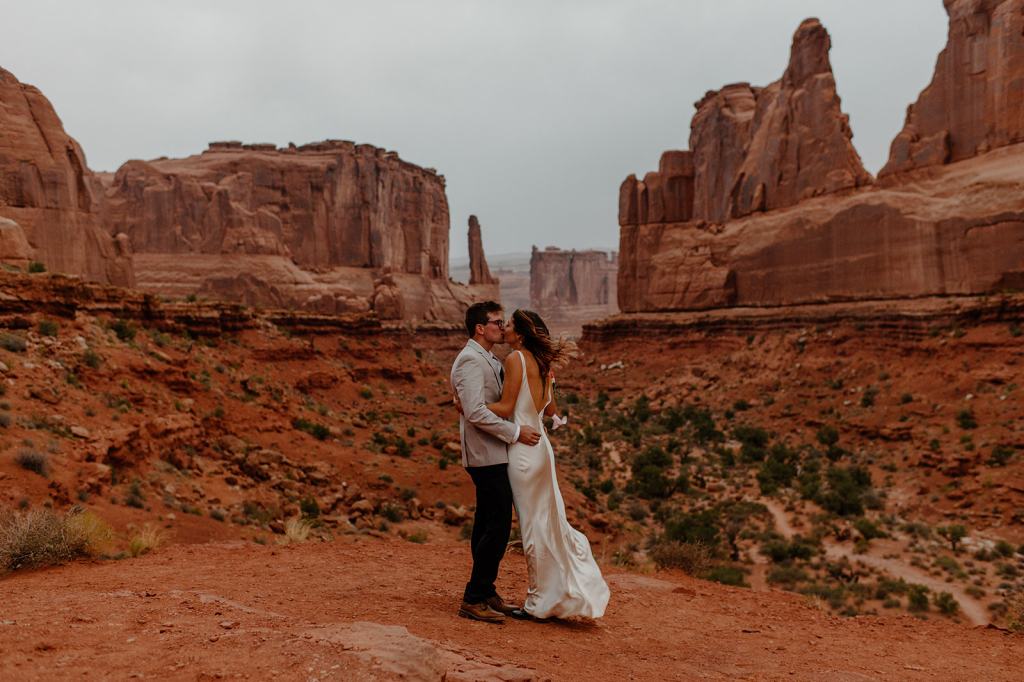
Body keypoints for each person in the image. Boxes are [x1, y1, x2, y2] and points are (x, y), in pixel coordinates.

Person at [486, 308, 610, 619]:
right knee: (547, 523)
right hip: (541, 448)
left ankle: (538, 602)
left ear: (522, 334)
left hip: (522, 452)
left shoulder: (516, 359)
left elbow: (505, 408)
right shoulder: (543, 363)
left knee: (533, 527)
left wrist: (469, 405)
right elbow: (551, 408)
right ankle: (553, 594)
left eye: (510, 325)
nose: (505, 329)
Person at [450, 301, 541, 623]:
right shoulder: (471, 361)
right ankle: (474, 597)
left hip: (492, 452)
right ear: (480, 328)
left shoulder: (486, 357)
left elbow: (481, 403)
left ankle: (485, 591)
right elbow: (475, 413)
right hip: (484, 454)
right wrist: (516, 432)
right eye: (496, 323)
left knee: (488, 522)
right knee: (498, 525)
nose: (502, 328)